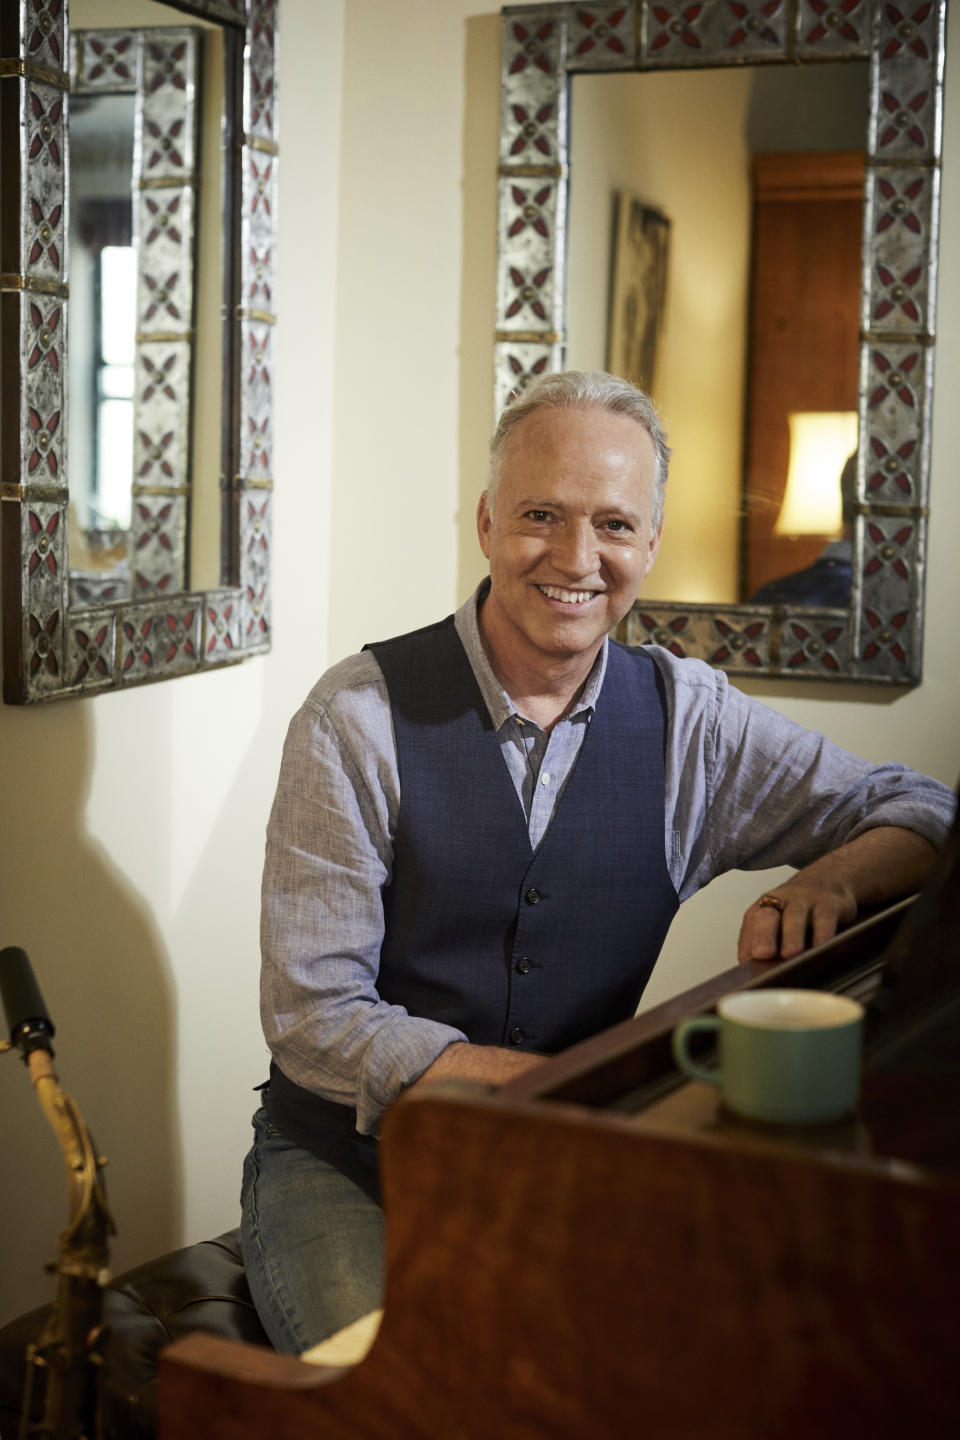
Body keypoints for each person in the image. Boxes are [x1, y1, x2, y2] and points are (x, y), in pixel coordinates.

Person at [241, 371, 954, 1355]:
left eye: (615, 526)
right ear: (488, 523)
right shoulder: (354, 718)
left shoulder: (692, 725)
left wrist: (832, 877)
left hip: (568, 1165)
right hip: (352, 1169)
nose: (577, 557)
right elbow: (314, 1019)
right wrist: (563, 1089)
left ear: (651, 545)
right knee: (405, 1406)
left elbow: (923, 808)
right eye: (541, 515)